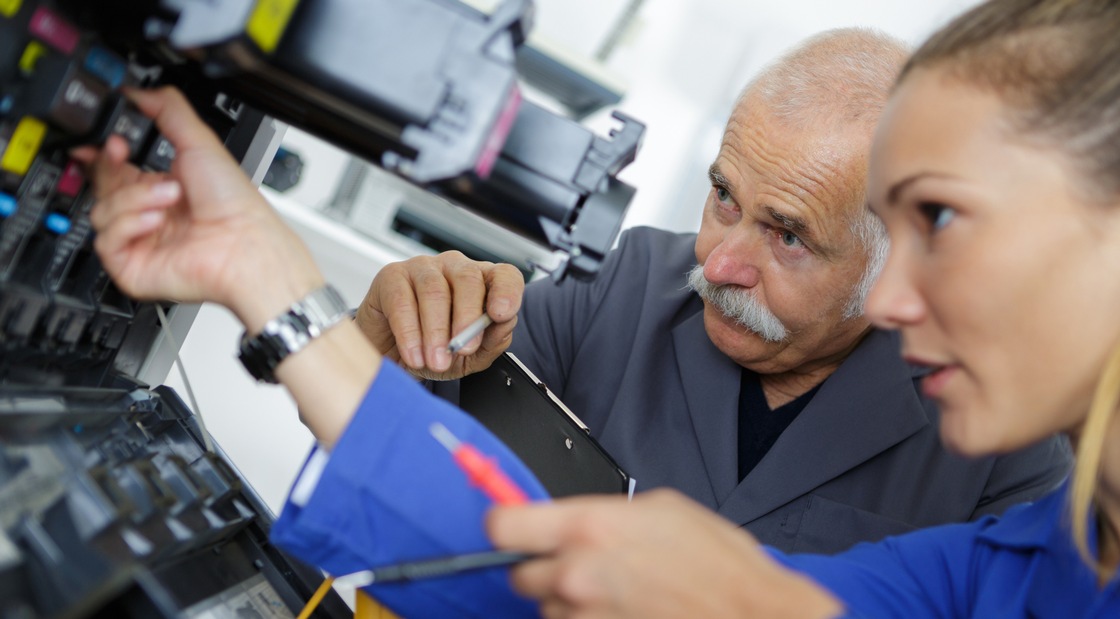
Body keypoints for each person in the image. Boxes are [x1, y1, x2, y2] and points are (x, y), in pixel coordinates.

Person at [472, 0, 1120, 616]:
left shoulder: (1017, 505)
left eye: (942, 219)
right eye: (724, 195)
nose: (887, 300)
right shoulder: (1013, 560)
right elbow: (758, 597)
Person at [354, 28, 1072, 552]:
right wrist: (383, 346)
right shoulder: (617, 286)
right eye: (724, 197)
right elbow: (395, 469)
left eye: (788, 235)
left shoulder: (1002, 445)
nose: (720, 263)